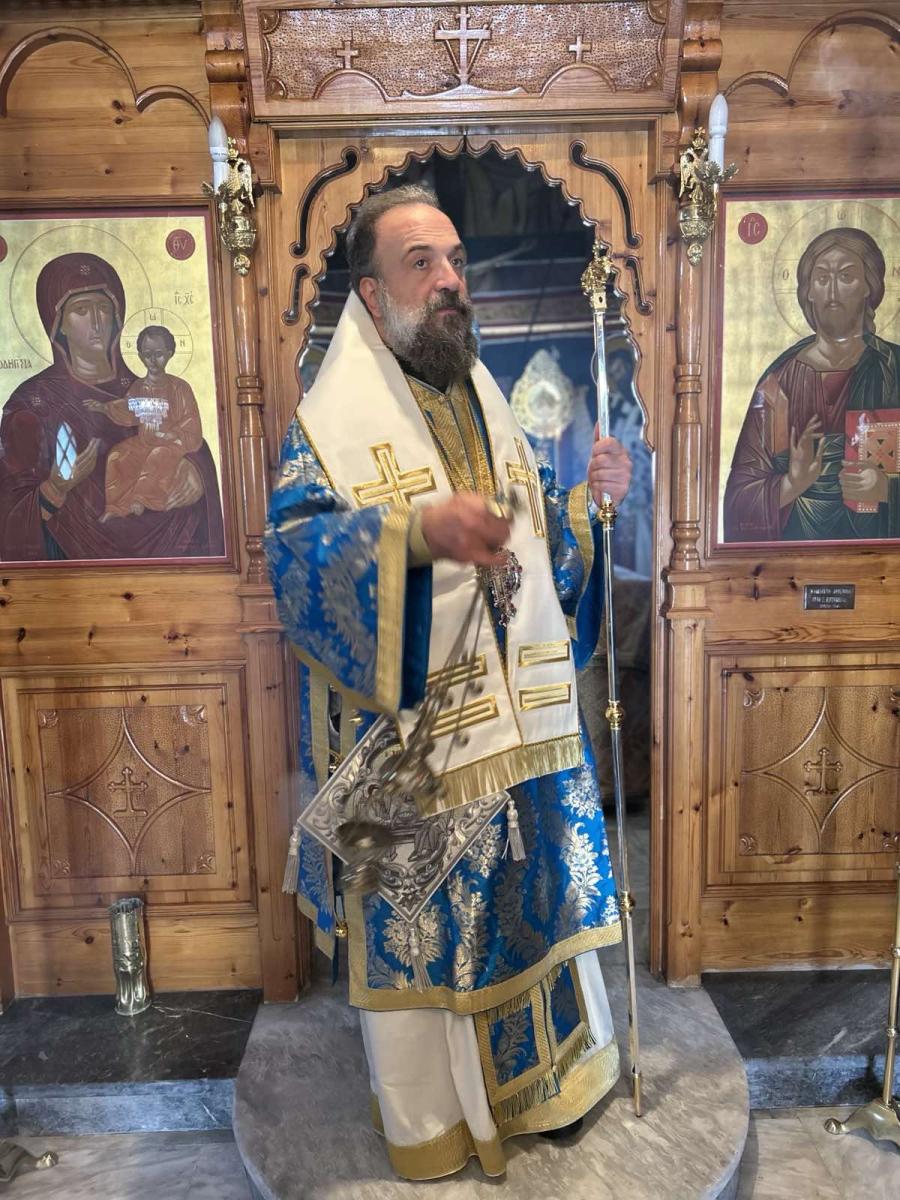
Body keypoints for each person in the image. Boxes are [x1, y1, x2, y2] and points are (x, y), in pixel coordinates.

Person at [266, 184, 632, 1181]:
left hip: (516, 726)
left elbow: (539, 552)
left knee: (525, 903)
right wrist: (413, 534)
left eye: (456, 261)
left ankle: (544, 1091)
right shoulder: (328, 427)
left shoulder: (483, 398)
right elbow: (295, 560)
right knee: (428, 932)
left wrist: (587, 508)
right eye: (420, 263)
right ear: (371, 293)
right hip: (412, 742)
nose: (448, 281)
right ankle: (438, 1123)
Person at [0, 252, 224, 560]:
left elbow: (188, 433)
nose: (97, 322)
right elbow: (10, 509)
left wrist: (197, 471)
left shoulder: (148, 388)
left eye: (104, 309)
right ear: (58, 323)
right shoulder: (33, 402)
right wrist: (54, 489)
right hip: (70, 569)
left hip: (171, 566)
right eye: (81, 310)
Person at [723, 227, 900, 542]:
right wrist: (791, 484)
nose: (832, 291)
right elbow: (739, 501)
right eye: (821, 278)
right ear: (808, 291)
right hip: (792, 563)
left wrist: (887, 489)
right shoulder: (778, 384)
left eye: (846, 277)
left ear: (868, 287)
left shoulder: (894, 370)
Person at [88, 325, 204, 522]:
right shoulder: (139, 386)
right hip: (143, 442)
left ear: (169, 354)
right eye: (147, 354)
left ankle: (139, 499)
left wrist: (174, 433)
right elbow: (128, 409)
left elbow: (190, 420)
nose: (152, 360)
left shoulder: (179, 388)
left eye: (158, 354)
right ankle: (114, 506)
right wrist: (104, 408)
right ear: (141, 356)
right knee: (116, 456)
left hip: (170, 445)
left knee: (157, 455)